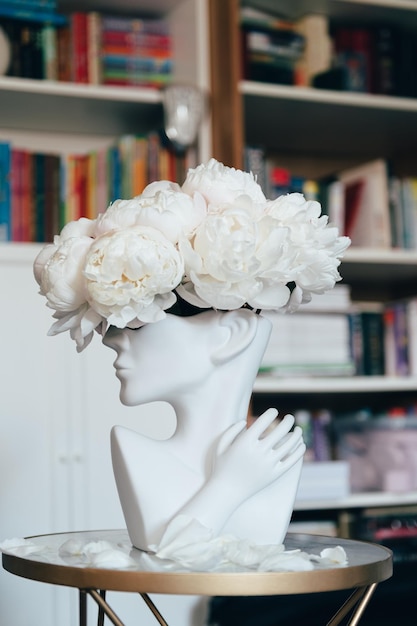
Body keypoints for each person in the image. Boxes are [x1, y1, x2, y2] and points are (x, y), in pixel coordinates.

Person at [103, 307, 306, 552]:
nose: (109, 338)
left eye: (140, 322)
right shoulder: (131, 450)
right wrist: (230, 485)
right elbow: (171, 555)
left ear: (231, 334)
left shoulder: (282, 459)